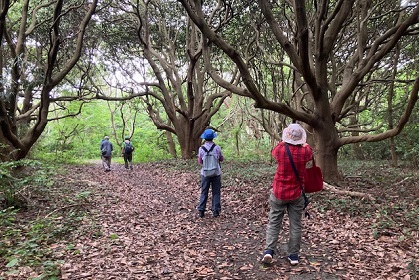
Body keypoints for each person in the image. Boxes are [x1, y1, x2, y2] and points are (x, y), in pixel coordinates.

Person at [261, 123, 313, 266]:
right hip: (297, 193)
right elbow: (309, 150)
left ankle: (269, 252)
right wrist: (302, 142)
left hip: (279, 192)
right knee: (295, 225)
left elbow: (276, 150)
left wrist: (287, 140)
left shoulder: (280, 149)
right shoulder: (305, 152)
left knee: (274, 222)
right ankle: (293, 256)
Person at [197, 128, 224, 218]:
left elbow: (200, 161)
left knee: (204, 192)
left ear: (205, 138)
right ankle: (215, 210)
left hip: (205, 173)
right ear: (213, 138)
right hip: (216, 172)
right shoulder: (217, 148)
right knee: (216, 192)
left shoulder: (201, 149)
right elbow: (221, 159)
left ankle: (201, 210)